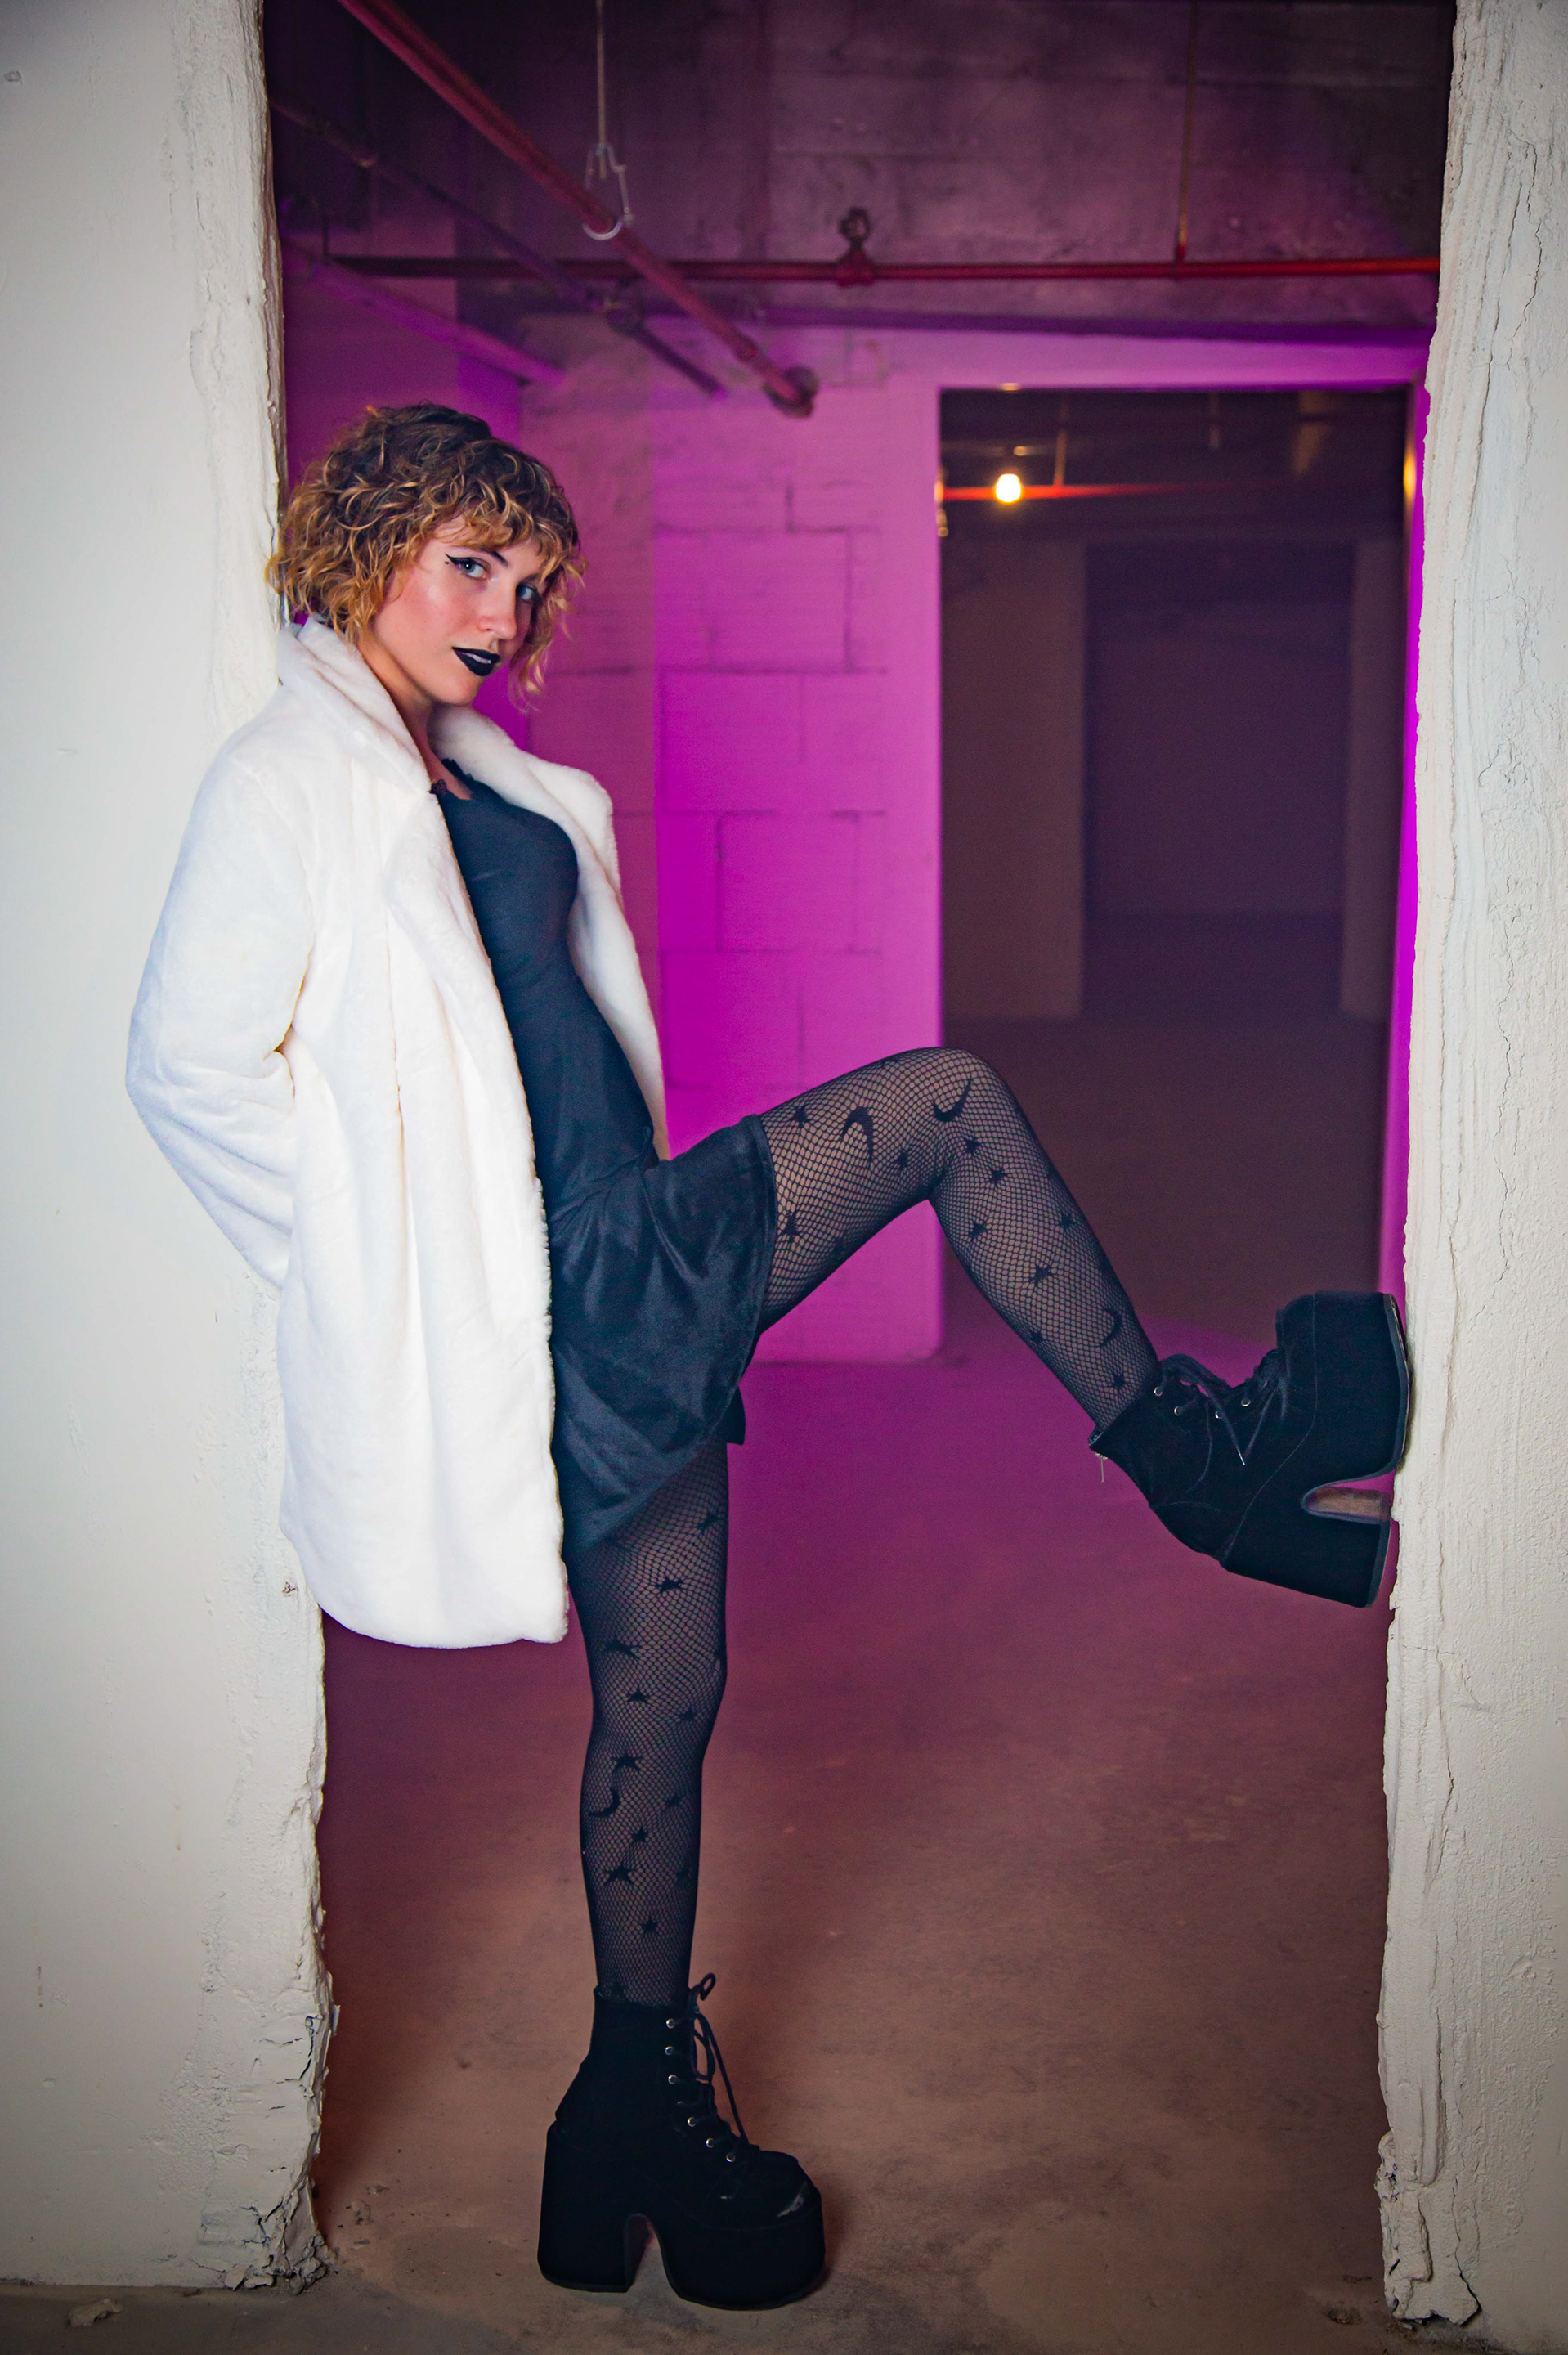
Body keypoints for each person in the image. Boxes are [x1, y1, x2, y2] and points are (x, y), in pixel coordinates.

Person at [128, 401, 1409, 2313]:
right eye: (468, 566)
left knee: (666, 1698)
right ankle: (1197, 1462)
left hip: (603, 1263)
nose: (503, 612)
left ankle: (622, 2123)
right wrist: (403, 1282)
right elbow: (186, 1071)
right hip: (568, 1280)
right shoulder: (286, 779)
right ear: (366, 547)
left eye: (527, 581)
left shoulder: (462, 770)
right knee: (946, 1104)